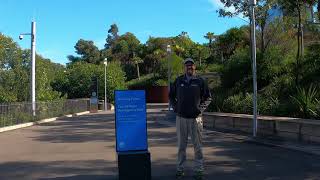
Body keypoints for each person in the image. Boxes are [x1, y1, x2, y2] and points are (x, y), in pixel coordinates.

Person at [169, 58, 212, 180]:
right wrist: (176, 108)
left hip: (196, 119)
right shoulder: (178, 81)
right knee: (181, 146)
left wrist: (200, 109)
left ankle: (199, 170)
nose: (190, 67)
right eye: (187, 65)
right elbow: (171, 96)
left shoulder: (200, 81)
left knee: (197, 146)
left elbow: (208, 97)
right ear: (184, 67)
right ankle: (180, 169)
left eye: (192, 65)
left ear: (195, 67)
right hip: (181, 118)